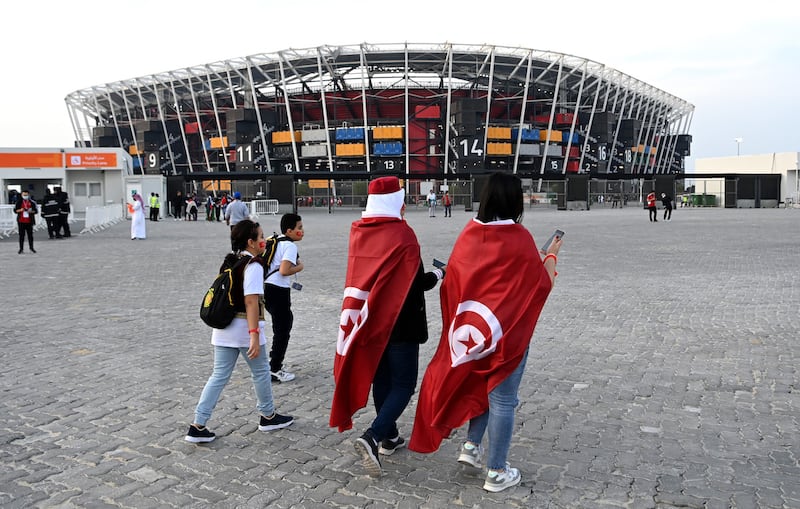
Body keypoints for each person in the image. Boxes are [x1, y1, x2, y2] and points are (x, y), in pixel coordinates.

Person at [408, 172, 562, 493]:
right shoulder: (519, 238)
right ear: (515, 201)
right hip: (507, 334)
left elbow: (453, 281)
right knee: (504, 399)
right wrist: (551, 255)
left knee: (481, 383)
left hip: (473, 332)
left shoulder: (469, 233)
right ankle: (496, 471)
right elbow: (541, 285)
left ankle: (471, 446)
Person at [329, 176, 445, 477]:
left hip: (369, 320)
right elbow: (415, 283)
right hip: (401, 322)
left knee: (381, 380)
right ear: (397, 201)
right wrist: (438, 273)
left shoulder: (359, 232)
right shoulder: (403, 235)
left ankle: (390, 436)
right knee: (404, 384)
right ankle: (373, 435)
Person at [185, 219, 294, 443]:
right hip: (244, 328)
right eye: (261, 237)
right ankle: (268, 415)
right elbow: (252, 302)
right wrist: (254, 334)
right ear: (250, 241)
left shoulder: (231, 261)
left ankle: (198, 424)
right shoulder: (252, 265)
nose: (265, 241)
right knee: (262, 371)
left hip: (224, 329)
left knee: (218, 376)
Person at [264, 213, 305, 383]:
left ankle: (272, 362)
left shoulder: (276, 241)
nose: (302, 231)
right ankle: (275, 368)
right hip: (278, 290)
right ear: (289, 230)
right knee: (283, 329)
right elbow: (284, 270)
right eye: (299, 228)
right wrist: (300, 267)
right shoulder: (289, 246)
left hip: (266, 287)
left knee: (280, 326)